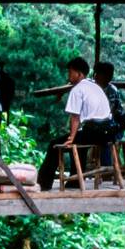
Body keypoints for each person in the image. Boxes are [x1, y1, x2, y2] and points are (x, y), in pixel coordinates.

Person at [37, 57, 112, 192]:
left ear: (80, 74)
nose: (68, 76)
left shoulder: (77, 89)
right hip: (107, 131)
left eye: (70, 72)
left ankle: (43, 183)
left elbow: (75, 117)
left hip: (94, 130)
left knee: (54, 144)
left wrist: (71, 137)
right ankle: (75, 181)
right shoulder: (94, 86)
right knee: (79, 143)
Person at [93, 61, 125, 140]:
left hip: (112, 125)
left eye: (98, 74)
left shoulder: (112, 90)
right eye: (95, 74)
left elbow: (113, 111)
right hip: (98, 125)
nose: (95, 76)